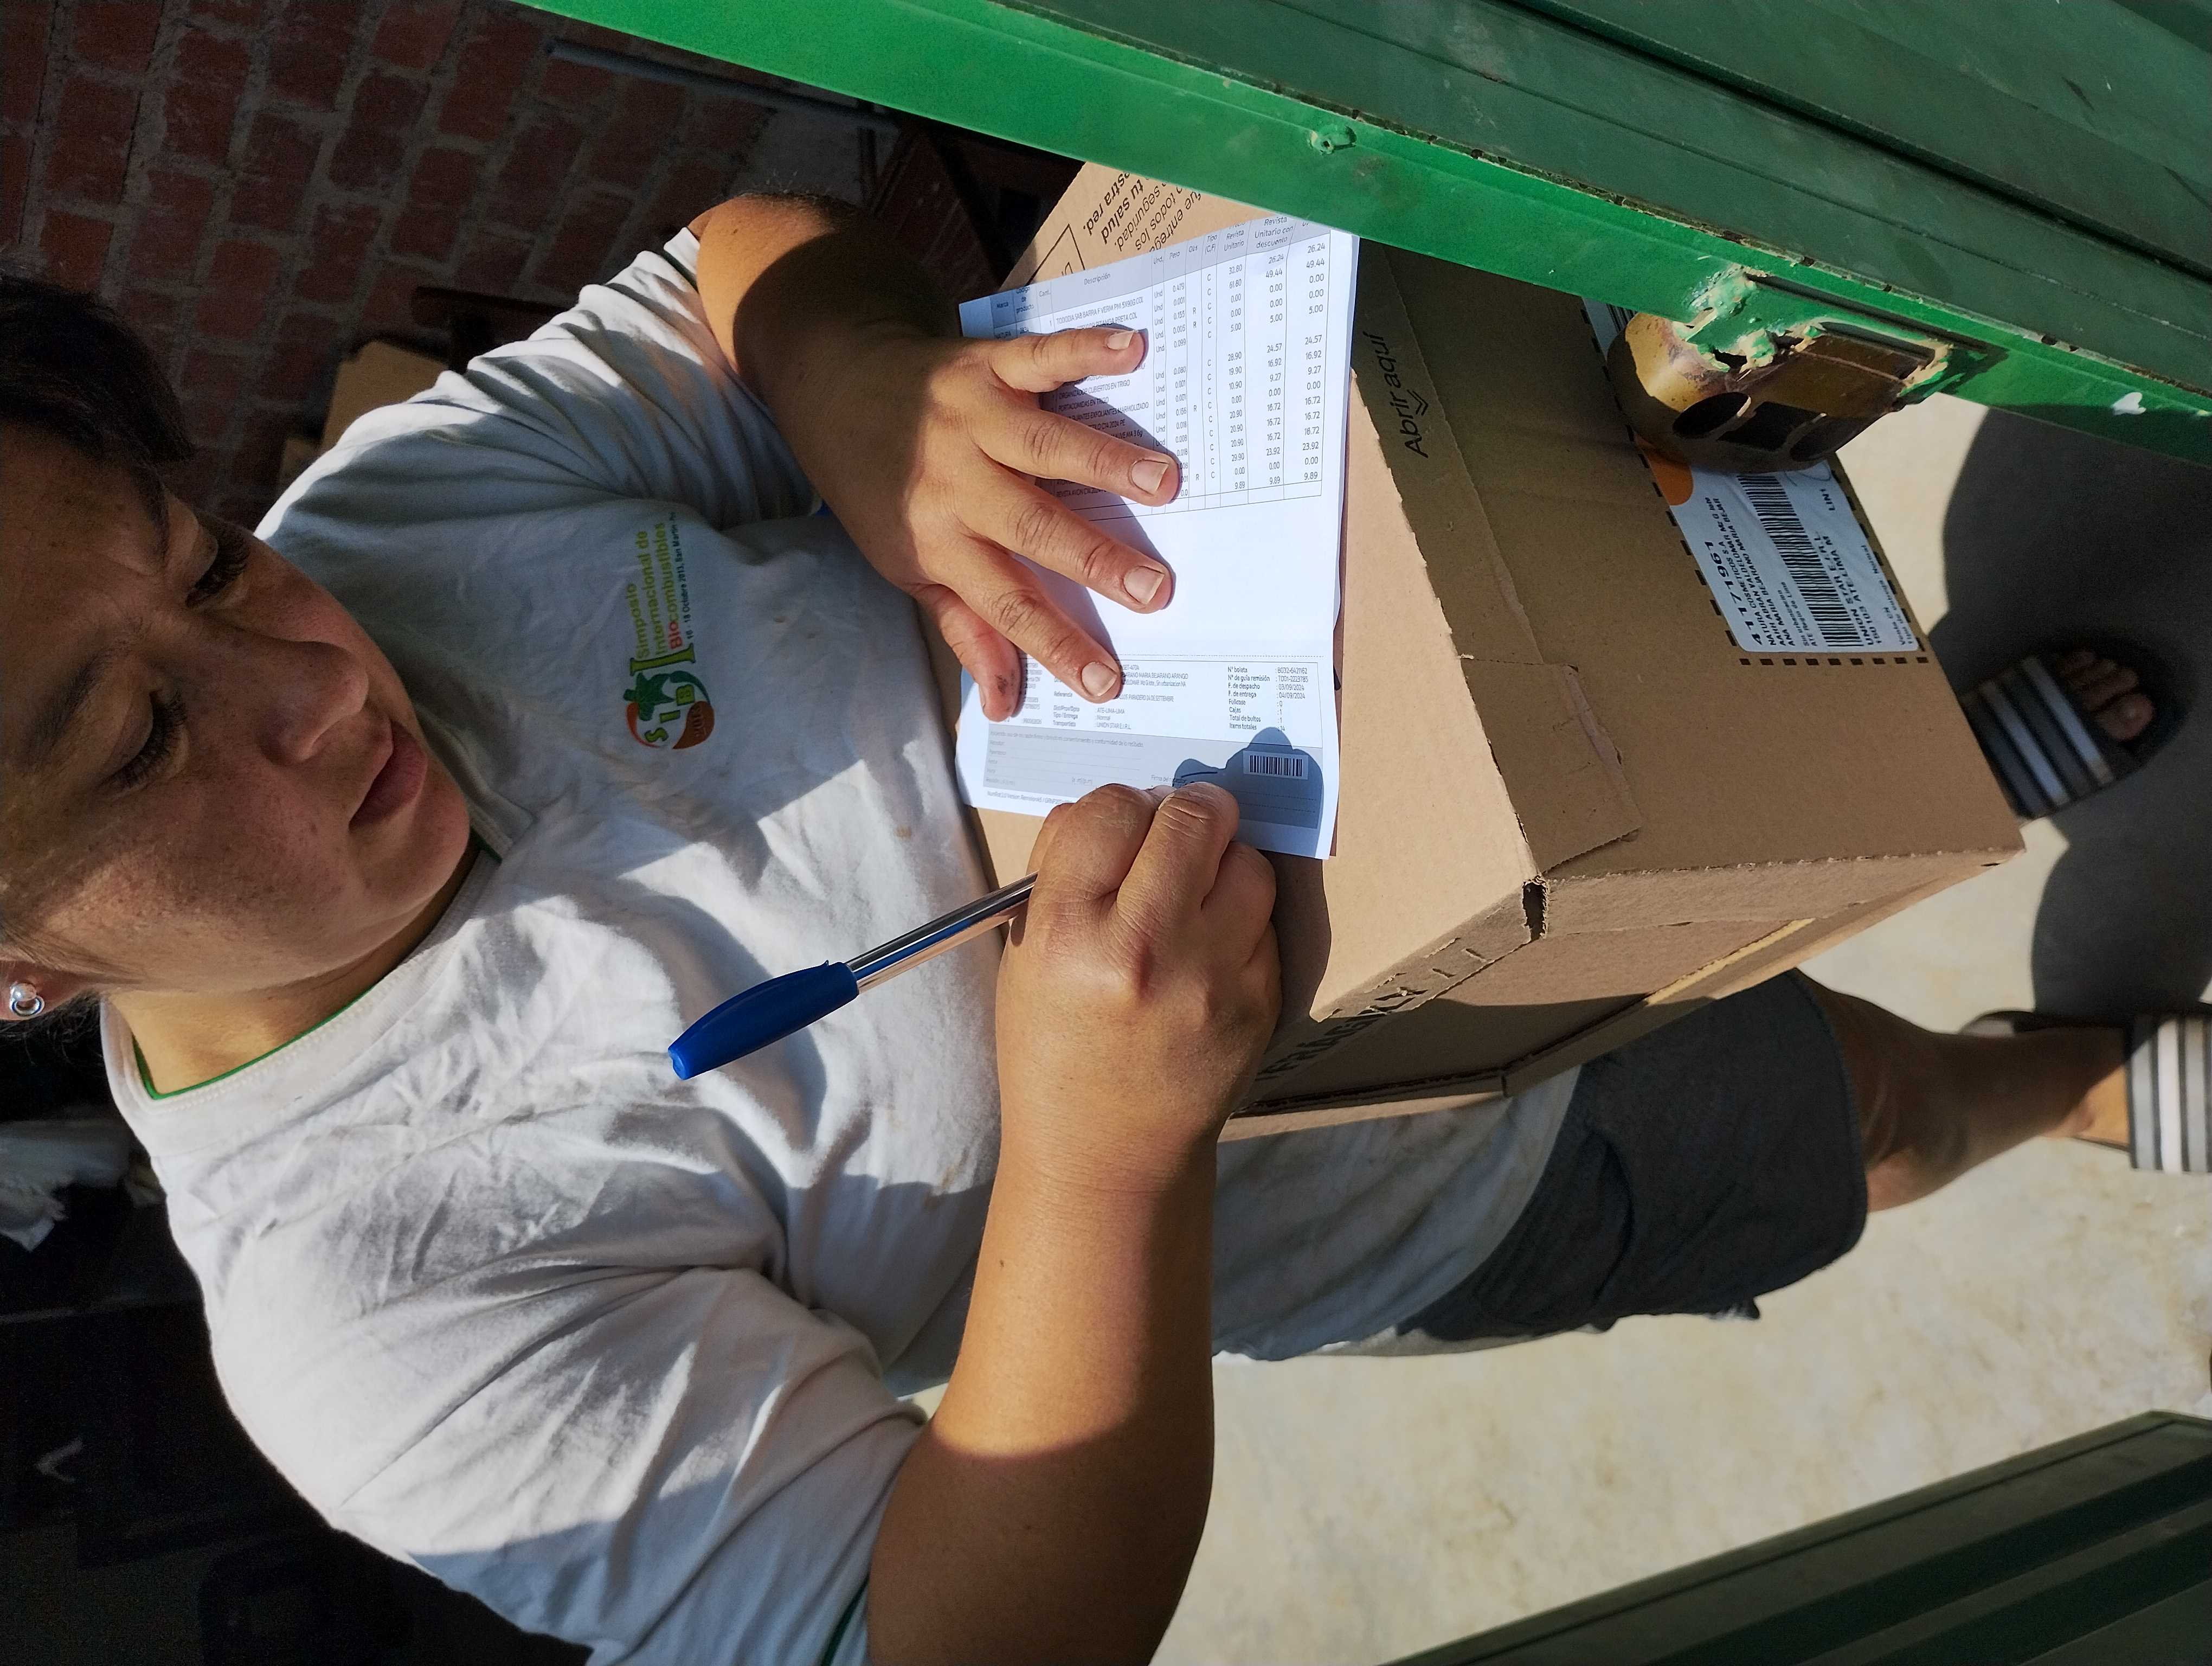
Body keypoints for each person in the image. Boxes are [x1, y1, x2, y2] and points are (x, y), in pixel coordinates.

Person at [0, 197, 2190, 1666]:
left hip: (1464, 732)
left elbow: (731, 269)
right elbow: (967, 1637)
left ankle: (1948, 772)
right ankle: (2060, 1080)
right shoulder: (376, 1323)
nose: (310, 683)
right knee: (1844, 1110)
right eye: (138, 744)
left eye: (207, 564)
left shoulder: (390, 525)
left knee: (1793, 784)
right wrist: (1109, 1152)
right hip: (1441, 1161)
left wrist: (862, 395)